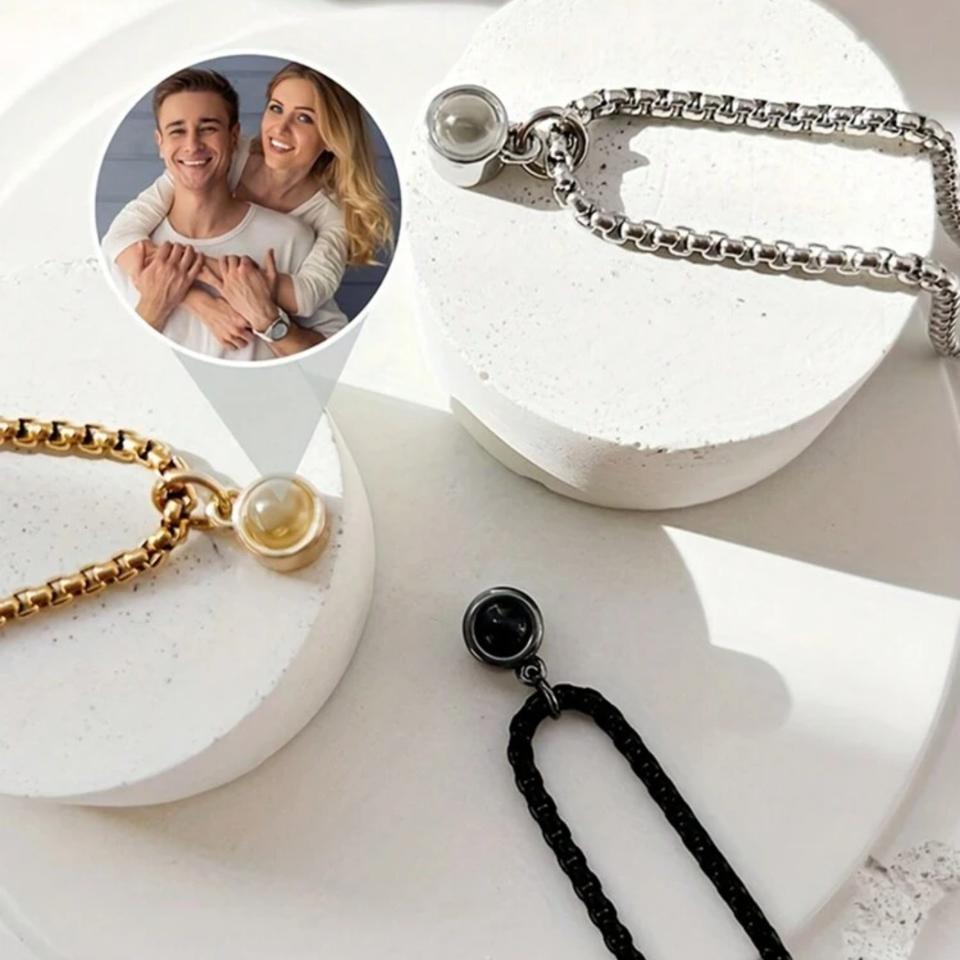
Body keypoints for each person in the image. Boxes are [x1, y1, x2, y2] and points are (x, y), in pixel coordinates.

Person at [102, 61, 394, 355]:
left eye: (304, 118)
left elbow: (307, 296)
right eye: (276, 108)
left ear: (333, 137)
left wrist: (228, 277)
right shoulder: (223, 154)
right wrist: (199, 302)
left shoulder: (328, 218)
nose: (280, 128)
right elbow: (119, 237)